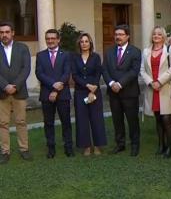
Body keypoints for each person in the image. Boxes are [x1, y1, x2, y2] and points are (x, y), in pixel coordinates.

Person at [102, 24, 141, 156]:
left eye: (121, 34)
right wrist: (112, 83)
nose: (118, 37)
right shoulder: (109, 51)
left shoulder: (135, 51)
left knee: (132, 120)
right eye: (116, 34)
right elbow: (105, 70)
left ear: (127, 36)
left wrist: (120, 83)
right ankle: (120, 144)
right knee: (117, 120)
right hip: (113, 93)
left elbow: (134, 71)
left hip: (129, 92)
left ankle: (135, 144)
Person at [35, 29, 74, 158]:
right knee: (48, 123)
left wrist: (56, 90)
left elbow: (66, 73)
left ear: (58, 40)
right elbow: (39, 74)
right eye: (48, 39)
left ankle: (68, 147)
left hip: (62, 94)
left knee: (66, 122)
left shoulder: (66, 55)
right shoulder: (40, 55)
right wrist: (53, 85)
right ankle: (51, 148)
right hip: (46, 94)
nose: (50, 41)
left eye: (53, 38)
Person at [140, 26, 171, 158]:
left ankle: (169, 147)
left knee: (166, 118)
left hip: (165, 87)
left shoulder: (169, 49)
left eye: (159, 34)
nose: (156, 36)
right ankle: (161, 145)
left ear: (164, 36)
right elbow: (142, 70)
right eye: (154, 34)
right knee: (158, 119)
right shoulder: (145, 51)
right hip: (152, 89)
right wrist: (151, 82)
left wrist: (159, 81)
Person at [0, 21, 32, 164]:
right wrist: (5, 86)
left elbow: (26, 69)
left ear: (12, 33)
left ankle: (24, 149)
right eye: (1, 32)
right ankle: (5, 151)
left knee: (21, 121)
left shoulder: (23, 48)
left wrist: (15, 85)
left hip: (19, 92)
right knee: (2, 123)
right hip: (2, 92)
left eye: (7, 32)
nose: (4, 35)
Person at [71, 33, 107, 156]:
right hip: (81, 92)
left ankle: (97, 145)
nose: (84, 44)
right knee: (82, 119)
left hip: (94, 91)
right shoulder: (74, 58)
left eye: (87, 41)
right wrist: (87, 86)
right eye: (82, 42)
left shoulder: (96, 57)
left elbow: (98, 73)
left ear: (90, 43)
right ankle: (86, 146)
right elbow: (75, 75)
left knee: (96, 119)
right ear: (79, 44)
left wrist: (93, 89)